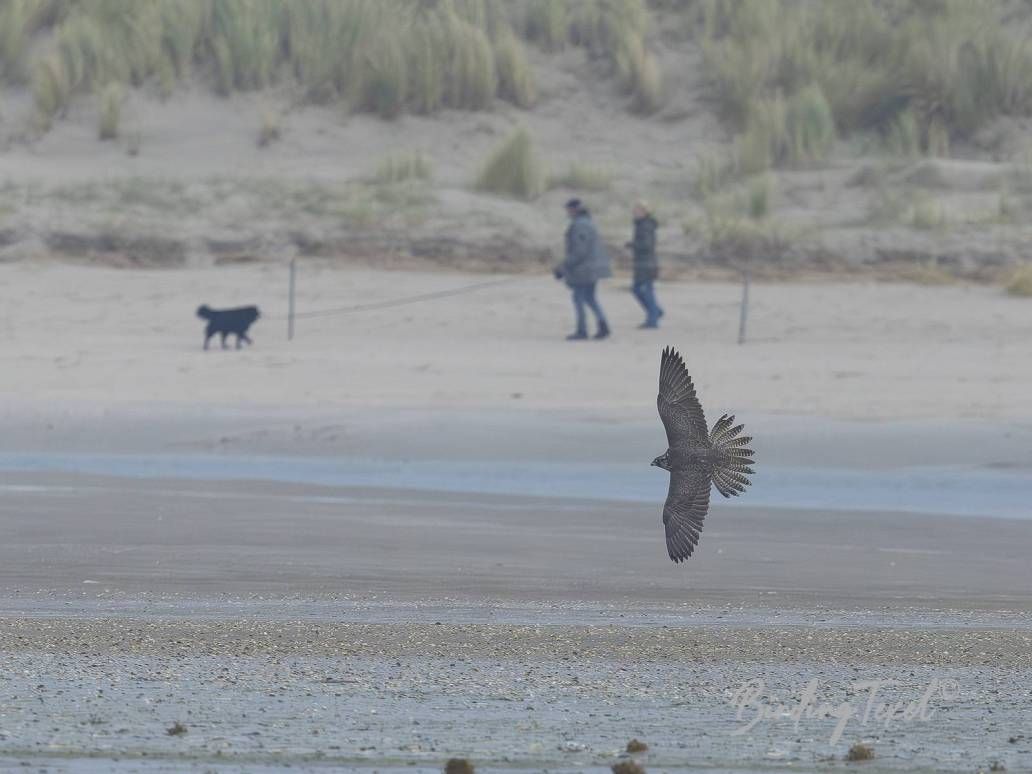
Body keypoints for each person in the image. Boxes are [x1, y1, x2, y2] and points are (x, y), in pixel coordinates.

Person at [554, 198, 612, 340]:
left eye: (568, 209)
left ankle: (582, 330)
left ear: (574, 210)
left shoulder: (580, 225)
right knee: (589, 298)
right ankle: (602, 325)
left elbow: (580, 251)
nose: (567, 212)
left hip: (584, 270)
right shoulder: (587, 222)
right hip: (590, 268)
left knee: (579, 298)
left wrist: (563, 267)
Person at [627, 201, 663, 329]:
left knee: (645, 291)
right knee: (640, 289)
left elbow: (647, 245)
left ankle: (653, 318)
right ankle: (655, 312)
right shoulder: (642, 225)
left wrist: (633, 245)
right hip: (644, 263)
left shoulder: (645, 226)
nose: (634, 212)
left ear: (644, 211)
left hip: (646, 263)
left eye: (637, 210)